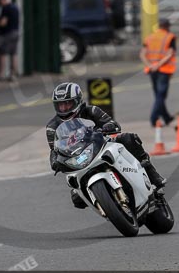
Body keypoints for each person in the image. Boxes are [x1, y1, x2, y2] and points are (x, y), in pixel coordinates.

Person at [46, 81, 166, 209]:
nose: (64, 108)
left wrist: (108, 127)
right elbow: (54, 149)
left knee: (129, 139)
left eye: (67, 103)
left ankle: (152, 175)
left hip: (101, 145)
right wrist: (55, 162)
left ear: (77, 100)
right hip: (78, 159)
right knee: (76, 199)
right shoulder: (52, 127)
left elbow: (112, 123)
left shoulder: (91, 110)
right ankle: (103, 203)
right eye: (60, 105)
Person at [140, 18, 176, 128]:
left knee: (158, 95)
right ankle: (153, 118)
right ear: (167, 26)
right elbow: (170, 54)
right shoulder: (170, 37)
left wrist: (150, 65)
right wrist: (158, 65)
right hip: (163, 69)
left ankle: (166, 117)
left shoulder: (150, 37)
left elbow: (142, 54)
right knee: (161, 95)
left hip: (152, 70)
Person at [0, 0, 20, 81]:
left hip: (7, 34)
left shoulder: (6, 8)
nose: (0, 3)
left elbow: (3, 23)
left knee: (3, 54)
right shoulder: (15, 7)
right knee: (14, 54)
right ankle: (14, 74)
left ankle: (1, 74)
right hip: (16, 32)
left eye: (0, 0)